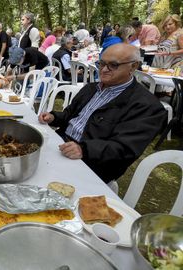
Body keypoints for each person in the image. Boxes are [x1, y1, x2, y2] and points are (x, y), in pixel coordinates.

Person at [38, 44, 166, 184]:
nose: (104, 70)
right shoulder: (91, 88)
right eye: (102, 63)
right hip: (61, 145)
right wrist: (54, 117)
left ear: (133, 66)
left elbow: (125, 148)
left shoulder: (147, 106)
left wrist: (84, 150)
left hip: (91, 165)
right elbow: (70, 115)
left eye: (113, 65)